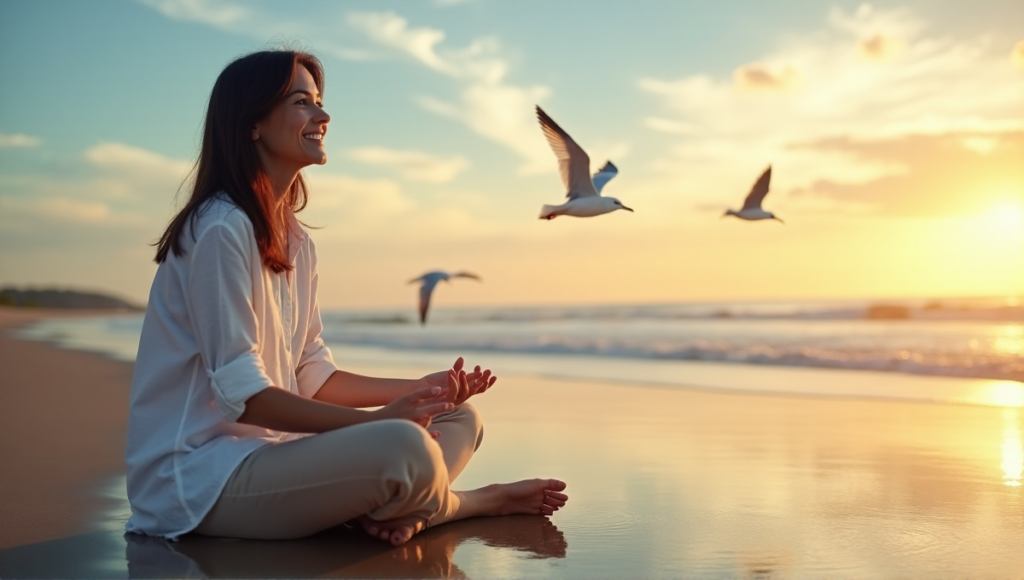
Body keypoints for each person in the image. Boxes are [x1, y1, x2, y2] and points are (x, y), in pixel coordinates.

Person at [125, 49, 568, 547]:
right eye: (302, 103)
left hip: (276, 459)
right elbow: (243, 398)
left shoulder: (296, 240)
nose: (323, 116)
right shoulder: (221, 229)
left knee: (458, 417)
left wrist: (420, 390)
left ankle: (405, 503)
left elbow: (312, 373)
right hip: (199, 481)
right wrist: (379, 421)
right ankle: (470, 503)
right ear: (253, 123)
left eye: (319, 102)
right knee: (403, 444)